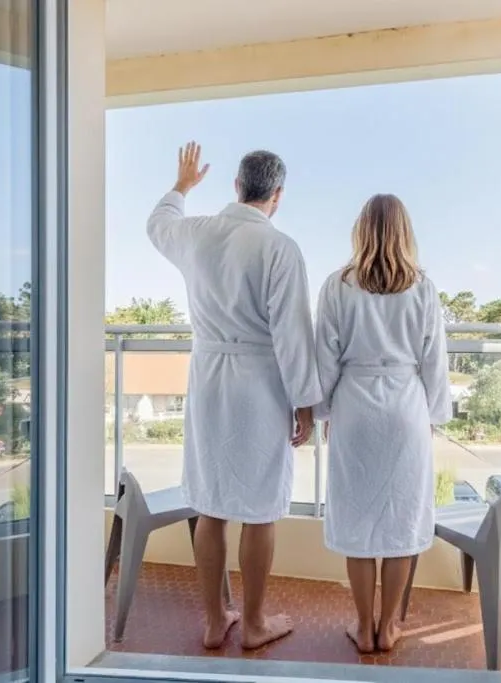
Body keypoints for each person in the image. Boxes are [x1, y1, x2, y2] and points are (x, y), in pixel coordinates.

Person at [147, 142, 321, 650]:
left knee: (211, 503)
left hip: (207, 381)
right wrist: (306, 401)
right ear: (278, 195)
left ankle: (211, 619)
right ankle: (255, 622)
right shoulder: (279, 248)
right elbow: (292, 334)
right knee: (261, 506)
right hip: (260, 385)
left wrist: (181, 185)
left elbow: (157, 223)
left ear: (237, 186)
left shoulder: (196, 233)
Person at [314, 194, 451, 653]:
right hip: (405, 408)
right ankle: (389, 626)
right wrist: (430, 417)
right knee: (401, 522)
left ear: (361, 230)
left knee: (357, 519)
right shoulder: (423, 288)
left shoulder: (337, 285)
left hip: (354, 406)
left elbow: (325, 359)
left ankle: (364, 624)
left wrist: (326, 411)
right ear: (404, 232)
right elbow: (434, 362)